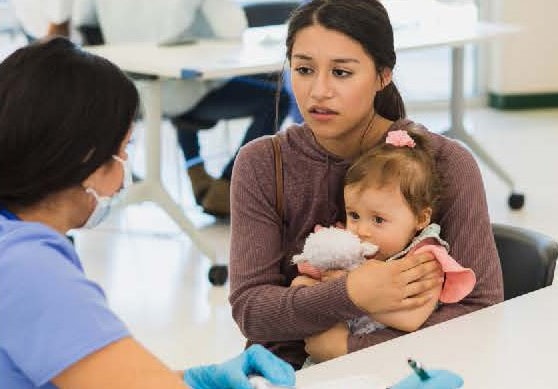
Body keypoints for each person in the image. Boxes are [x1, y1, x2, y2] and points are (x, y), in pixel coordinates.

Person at [0, 37, 295, 389]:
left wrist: (192, 378)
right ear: (88, 158)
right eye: (125, 149)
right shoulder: (30, 268)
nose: (125, 173)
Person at [229, 0, 503, 371]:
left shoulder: (444, 162)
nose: (318, 91)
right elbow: (253, 313)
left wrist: (351, 347)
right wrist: (353, 293)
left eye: (341, 73)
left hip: (408, 374)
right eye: (304, 69)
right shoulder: (262, 163)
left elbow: (480, 311)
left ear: (383, 74)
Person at [93, 0, 290, 217]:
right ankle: (228, 185)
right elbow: (232, 28)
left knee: (189, 77)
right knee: (277, 99)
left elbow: (89, 25)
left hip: (132, 84)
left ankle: (195, 169)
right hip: (182, 89)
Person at [292, 127, 477, 340]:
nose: (361, 230)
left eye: (378, 220)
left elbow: (411, 320)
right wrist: (317, 289)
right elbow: (301, 285)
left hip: (393, 356)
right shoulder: (349, 250)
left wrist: (354, 294)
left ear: (420, 218)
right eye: (353, 215)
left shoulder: (425, 258)